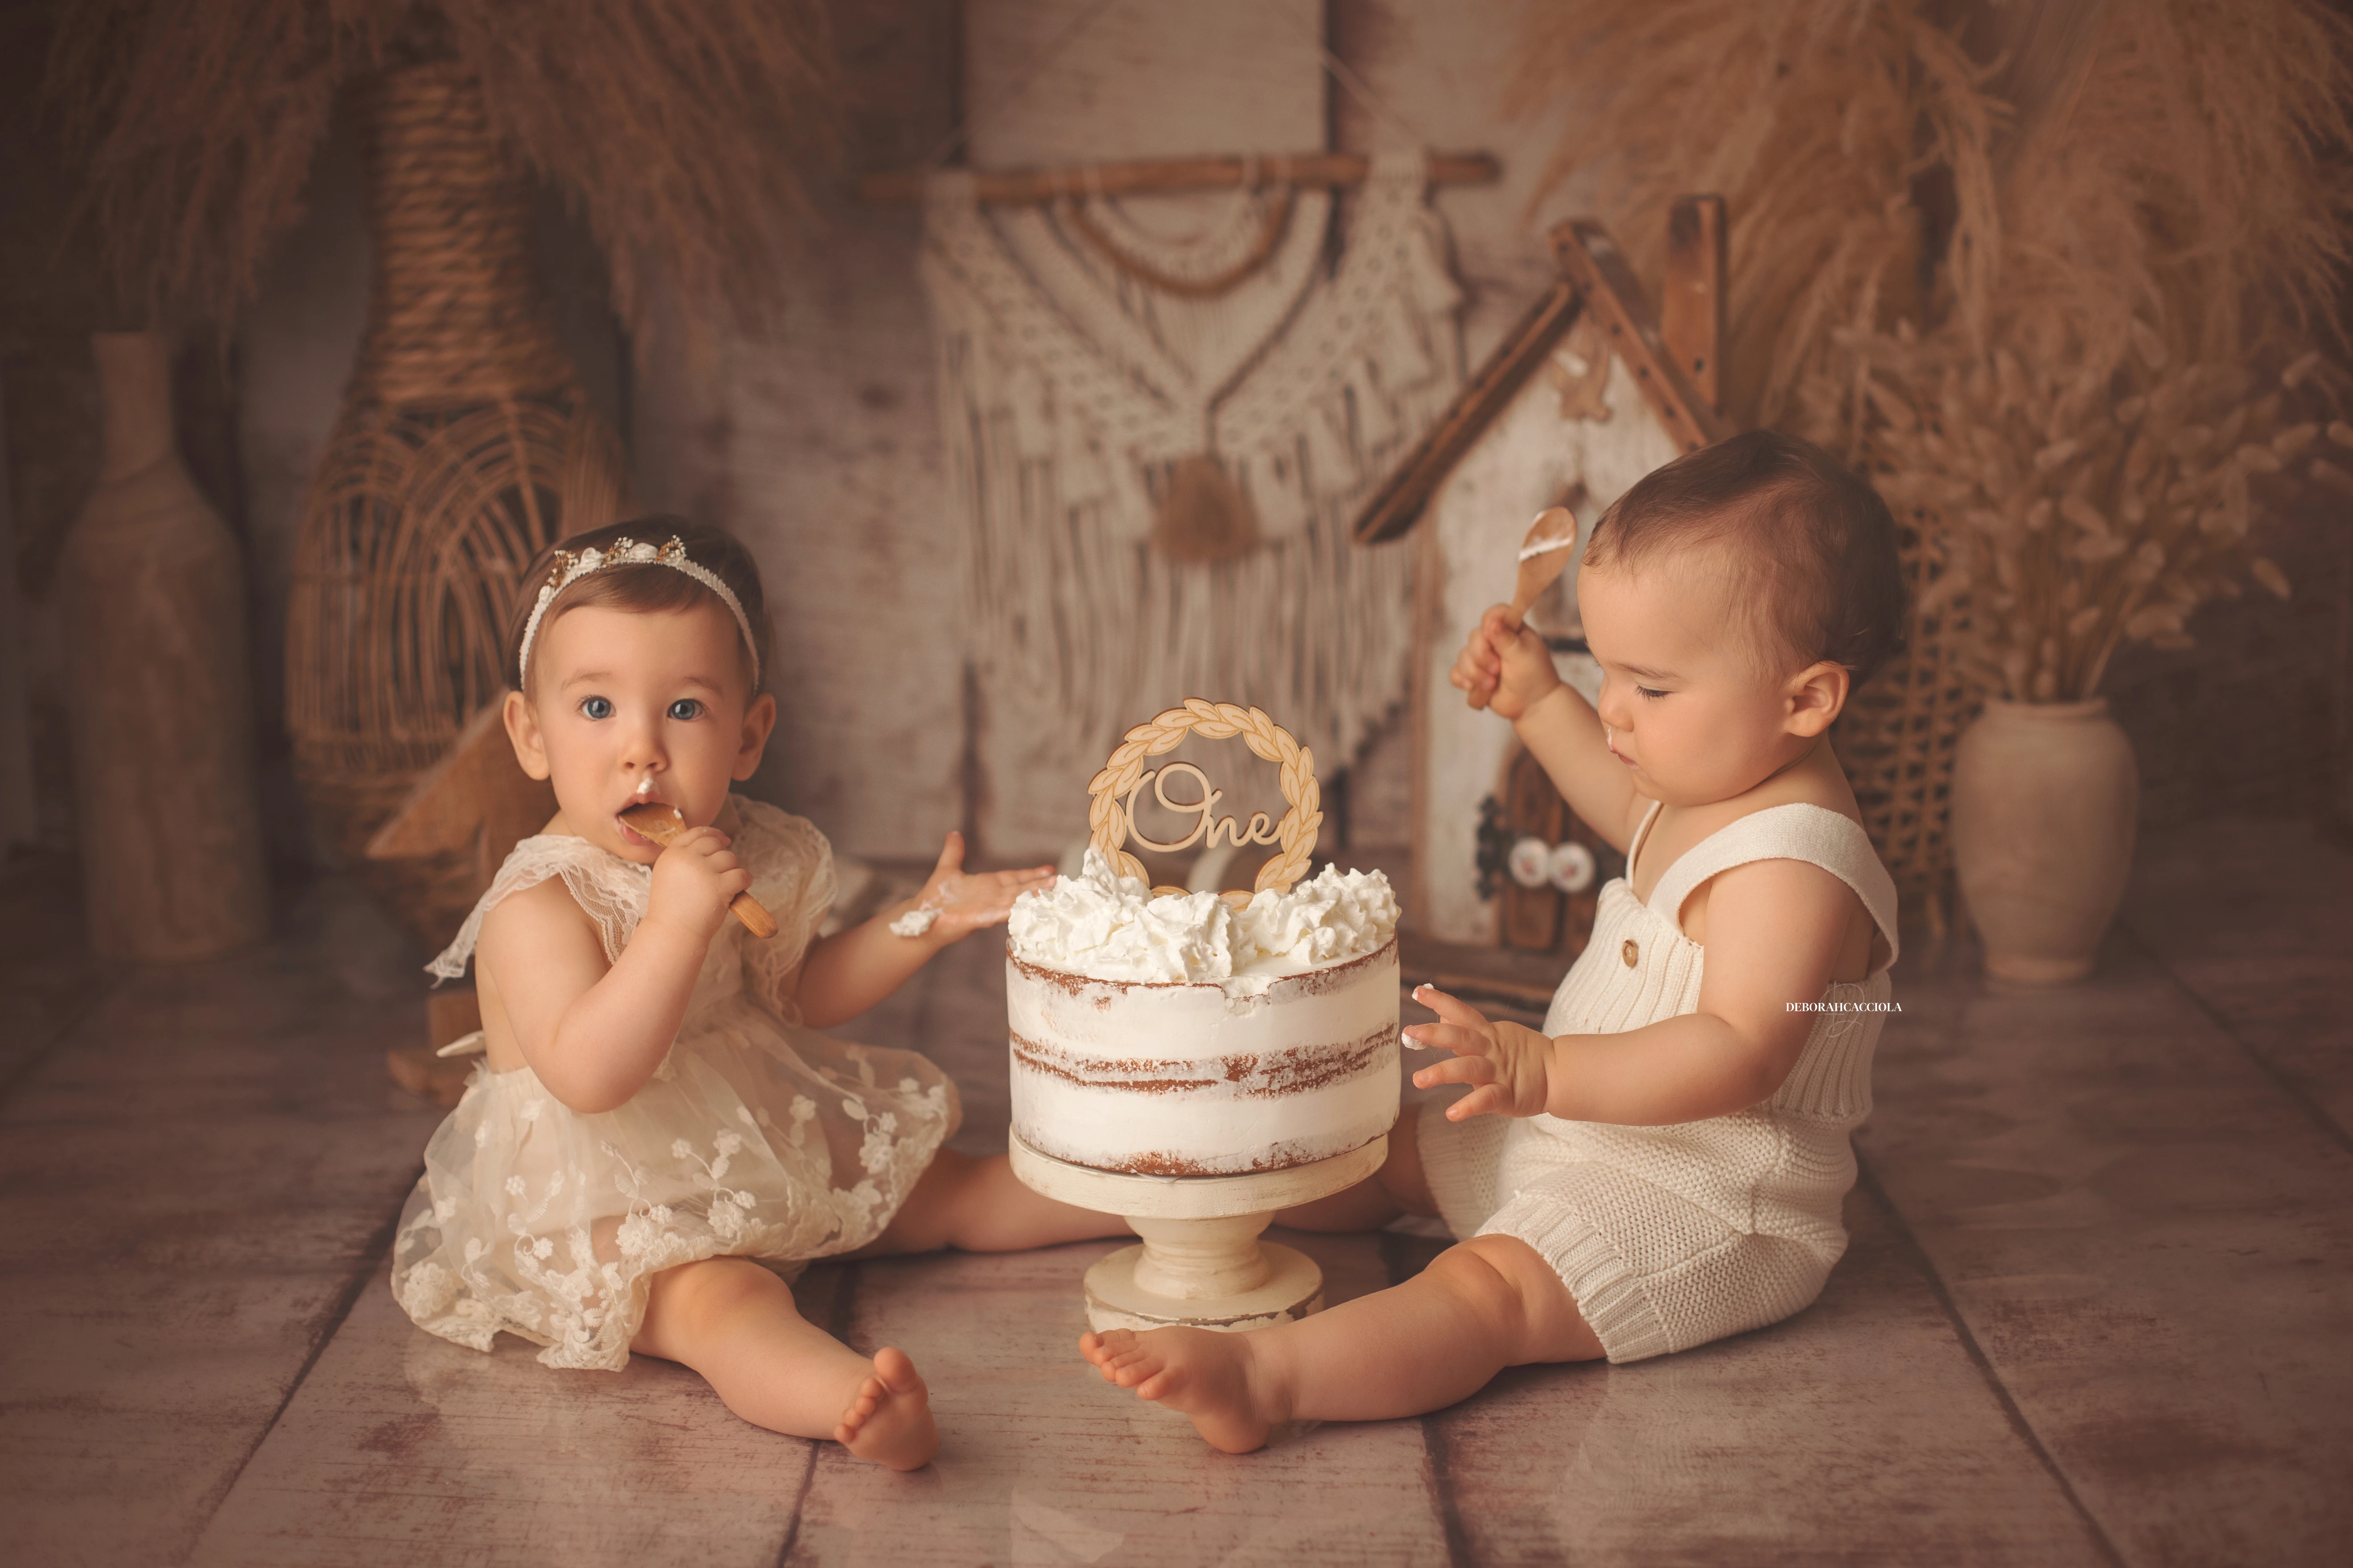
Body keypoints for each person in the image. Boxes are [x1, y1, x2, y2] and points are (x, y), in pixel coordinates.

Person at [1080, 430, 1908, 1452]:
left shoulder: (1793, 863)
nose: (1614, 710)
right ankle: (1158, 1204)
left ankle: (1265, 1377)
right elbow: (1628, 813)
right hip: (1575, 1132)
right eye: (1601, 671)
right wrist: (1539, 701)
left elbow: (1743, 1049)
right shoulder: (1714, 777)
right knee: (1356, 1152)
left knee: (1485, 1290)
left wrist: (1547, 1069)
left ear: (1806, 699)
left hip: (1698, 1194)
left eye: (1650, 687)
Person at [391, 517, 1125, 1470]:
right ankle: (848, 1403)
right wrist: (673, 926)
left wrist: (923, 920)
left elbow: (798, 995)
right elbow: (589, 1076)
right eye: (597, 707)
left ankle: (1175, 1194)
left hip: (740, 1123)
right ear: (531, 735)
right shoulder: (538, 904)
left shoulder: (733, 846)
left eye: (684, 709)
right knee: (724, 1300)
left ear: (748, 734)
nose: (642, 750)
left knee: (947, 1191)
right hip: (600, 1196)